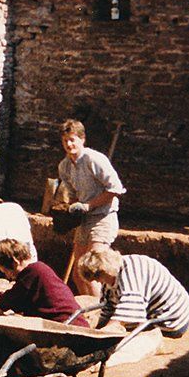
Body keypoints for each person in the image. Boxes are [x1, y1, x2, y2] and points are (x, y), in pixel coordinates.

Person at [57, 119, 126, 297]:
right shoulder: (64, 166)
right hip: (85, 220)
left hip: (103, 217)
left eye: (73, 139)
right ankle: (89, 310)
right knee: (79, 274)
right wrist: (71, 210)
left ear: (82, 139)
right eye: (65, 141)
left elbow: (116, 189)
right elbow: (73, 194)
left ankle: (101, 313)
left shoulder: (94, 159)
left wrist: (89, 205)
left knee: (95, 270)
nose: (69, 144)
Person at [77, 249, 189, 337]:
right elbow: (109, 307)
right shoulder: (112, 274)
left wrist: (100, 334)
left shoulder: (131, 273)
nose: (96, 281)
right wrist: (92, 323)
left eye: (97, 276)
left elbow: (127, 314)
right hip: (151, 312)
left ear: (104, 269)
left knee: (120, 336)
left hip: (171, 319)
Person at [0, 239, 89, 327]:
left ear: (15, 262)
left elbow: (8, 300)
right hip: (71, 322)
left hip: (65, 324)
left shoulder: (32, 272)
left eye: (5, 271)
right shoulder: (38, 269)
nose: (8, 276)